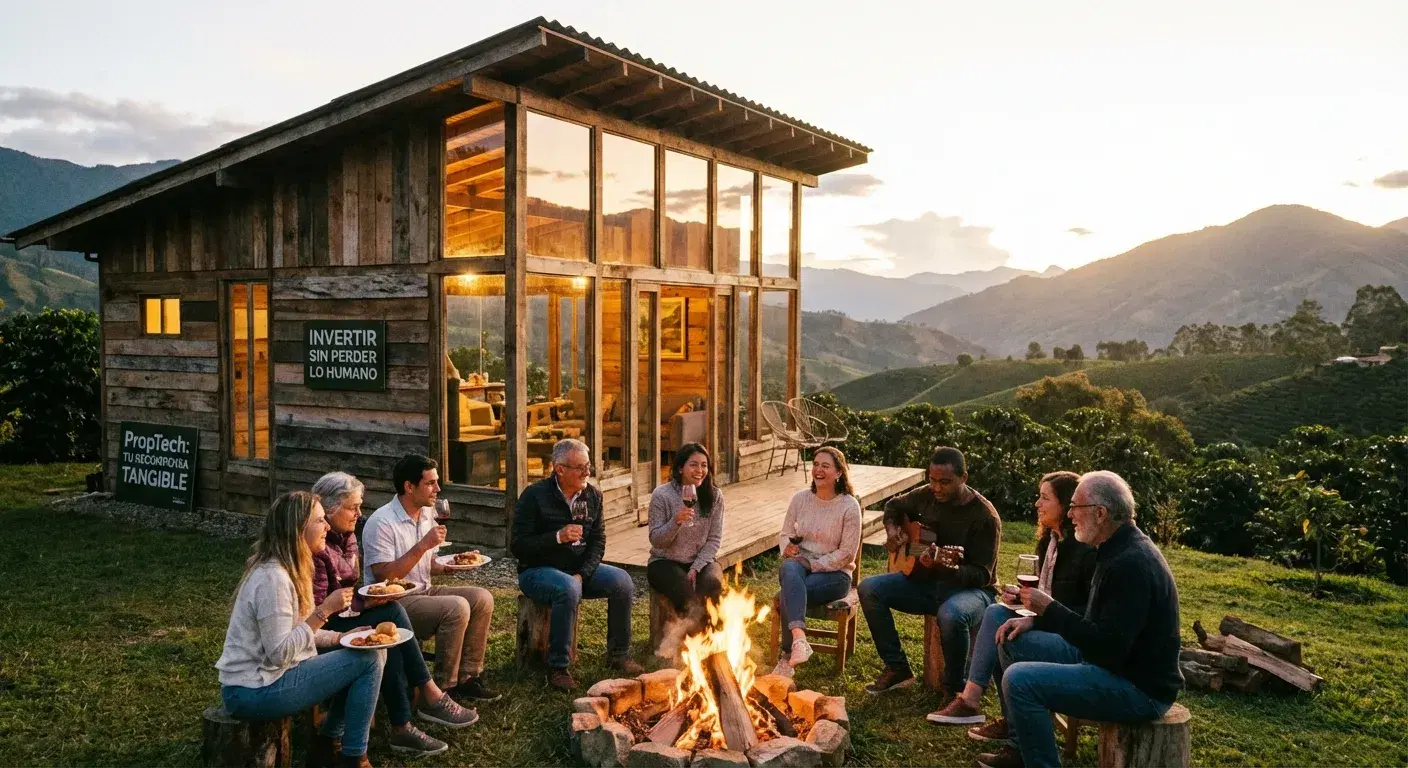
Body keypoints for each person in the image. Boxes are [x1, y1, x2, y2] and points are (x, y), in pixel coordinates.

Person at [974, 471, 1183, 768]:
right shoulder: (1114, 547)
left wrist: (1050, 609)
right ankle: (1022, 750)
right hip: (1112, 663)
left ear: (1101, 513)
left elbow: (1106, 649)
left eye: (1075, 507)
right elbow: (1094, 623)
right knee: (1011, 641)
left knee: (1020, 680)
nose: (1070, 515)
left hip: (1139, 687)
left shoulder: (1130, 564)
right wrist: (1035, 620)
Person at [310, 472, 477, 757]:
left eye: (359, 506)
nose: (359, 514)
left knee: (392, 624)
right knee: (393, 620)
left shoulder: (347, 535)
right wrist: (363, 602)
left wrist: (366, 601)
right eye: (353, 507)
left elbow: (349, 590)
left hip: (347, 612)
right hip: (321, 626)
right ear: (329, 509)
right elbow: (317, 607)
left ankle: (412, 716)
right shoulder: (316, 544)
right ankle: (421, 704)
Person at [216, 491, 385, 768]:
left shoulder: (292, 567)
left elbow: (299, 631)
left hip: (269, 680)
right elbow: (280, 653)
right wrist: (324, 610)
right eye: (320, 521)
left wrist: (343, 638)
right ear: (298, 529)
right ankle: (352, 756)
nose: (327, 527)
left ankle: (329, 743)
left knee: (371, 650)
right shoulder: (274, 578)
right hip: (252, 690)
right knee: (368, 661)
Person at [927, 471, 1096, 734]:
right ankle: (972, 701)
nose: (1037, 504)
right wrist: (1021, 597)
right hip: (1049, 621)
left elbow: (1084, 611)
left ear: (1065, 505)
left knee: (1005, 635)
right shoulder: (1050, 541)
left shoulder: (1084, 550)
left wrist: (1035, 617)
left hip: (1070, 634)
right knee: (996, 612)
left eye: (1044, 498)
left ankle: (1011, 723)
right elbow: (1049, 592)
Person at [860, 446, 1001, 698]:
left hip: (972, 592)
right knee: (869, 588)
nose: (936, 488)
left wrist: (945, 566)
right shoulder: (927, 495)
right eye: (932, 480)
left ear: (964, 478)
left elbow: (983, 575)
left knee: (952, 613)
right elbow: (893, 505)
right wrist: (893, 531)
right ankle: (897, 667)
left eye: (945, 482)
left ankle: (954, 688)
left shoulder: (984, 516)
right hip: (924, 583)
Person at [361, 455, 499, 704]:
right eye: (430, 483)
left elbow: (430, 564)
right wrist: (422, 545)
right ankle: (442, 689)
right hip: (394, 602)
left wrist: (453, 564)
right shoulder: (381, 522)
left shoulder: (427, 514)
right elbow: (383, 576)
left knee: (482, 598)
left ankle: (468, 677)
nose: (437, 489)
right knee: (456, 607)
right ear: (409, 486)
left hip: (424, 590)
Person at [513, 439, 641, 691]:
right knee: (568, 588)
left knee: (622, 581)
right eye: (580, 467)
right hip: (537, 571)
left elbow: (598, 541)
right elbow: (517, 546)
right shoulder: (534, 496)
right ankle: (558, 667)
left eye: (588, 466)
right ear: (559, 469)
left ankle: (618, 654)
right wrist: (557, 537)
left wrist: (583, 574)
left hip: (577, 571)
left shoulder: (592, 495)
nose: (587, 473)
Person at [772, 446, 862, 677]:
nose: (818, 470)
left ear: (839, 473)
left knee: (788, 592)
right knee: (790, 566)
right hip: (799, 568)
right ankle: (800, 641)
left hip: (835, 575)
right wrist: (788, 547)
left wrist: (813, 564)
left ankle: (786, 657)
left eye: (825, 465)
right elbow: (784, 534)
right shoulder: (800, 499)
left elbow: (847, 554)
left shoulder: (849, 506)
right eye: (815, 464)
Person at [646, 443, 726, 663]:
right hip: (664, 561)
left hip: (700, 560)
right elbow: (656, 540)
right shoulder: (662, 495)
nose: (699, 470)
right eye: (693, 465)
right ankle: (703, 648)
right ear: (680, 468)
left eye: (704, 465)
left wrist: (697, 567)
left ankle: (709, 640)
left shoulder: (715, 496)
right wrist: (676, 522)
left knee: (712, 585)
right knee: (688, 597)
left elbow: (714, 540)